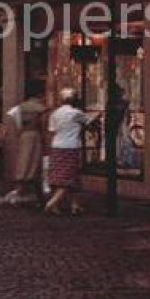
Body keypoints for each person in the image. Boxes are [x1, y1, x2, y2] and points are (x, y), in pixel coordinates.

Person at [44, 88, 98, 216]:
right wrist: (97, 117)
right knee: (69, 177)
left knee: (63, 176)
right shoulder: (76, 113)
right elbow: (90, 122)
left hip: (57, 146)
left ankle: (75, 205)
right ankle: (51, 203)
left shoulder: (55, 113)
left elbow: (51, 131)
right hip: (71, 146)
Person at [5, 80, 47, 205]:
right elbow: (43, 125)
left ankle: (18, 190)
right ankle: (38, 196)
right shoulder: (41, 108)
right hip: (35, 136)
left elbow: (13, 118)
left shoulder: (21, 107)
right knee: (35, 164)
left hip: (24, 136)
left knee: (24, 162)